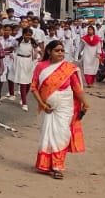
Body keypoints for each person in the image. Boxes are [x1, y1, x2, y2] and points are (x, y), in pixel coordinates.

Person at [33, 39, 90, 179]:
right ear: (49, 52)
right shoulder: (41, 66)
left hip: (65, 106)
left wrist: (85, 103)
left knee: (62, 134)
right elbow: (33, 88)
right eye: (57, 50)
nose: (60, 53)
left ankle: (57, 167)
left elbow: (76, 88)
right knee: (48, 135)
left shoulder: (68, 68)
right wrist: (42, 104)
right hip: (49, 108)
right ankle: (46, 165)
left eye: (62, 51)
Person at [78, 22, 102, 86]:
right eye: (88, 30)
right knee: (86, 68)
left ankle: (92, 82)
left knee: (94, 69)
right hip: (86, 55)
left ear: (93, 31)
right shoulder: (84, 38)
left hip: (94, 55)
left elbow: (99, 46)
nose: (89, 31)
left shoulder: (97, 38)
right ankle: (88, 83)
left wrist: (98, 53)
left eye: (91, 30)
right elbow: (81, 47)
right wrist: (79, 53)